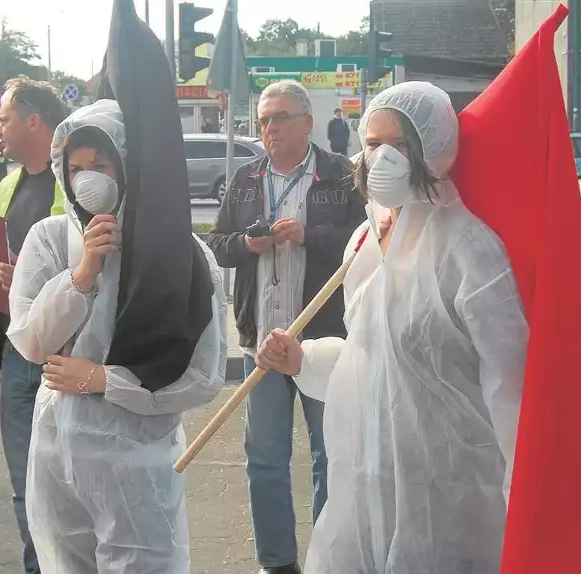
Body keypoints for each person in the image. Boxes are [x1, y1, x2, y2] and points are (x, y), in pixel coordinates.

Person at [256, 81, 529, 573]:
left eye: (401, 146)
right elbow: (369, 356)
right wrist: (303, 359)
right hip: (370, 484)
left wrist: (526, 493)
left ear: (436, 150)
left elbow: (513, 382)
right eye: (373, 144)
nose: (382, 159)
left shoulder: (467, 249)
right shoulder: (365, 241)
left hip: (451, 493)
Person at [6, 98, 227, 574]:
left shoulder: (180, 254)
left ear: (129, 165)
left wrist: (105, 380)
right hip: (57, 458)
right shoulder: (49, 239)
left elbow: (203, 376)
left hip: (137, 467)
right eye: (76, 167)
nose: (87, 179)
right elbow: (30, 340)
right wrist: (83, 272)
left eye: (101, 164)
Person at [208, 79, 366, 573]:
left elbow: (365, 245)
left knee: (331, 457)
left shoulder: (342, 175)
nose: (269, 129)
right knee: (266, 460)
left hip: (324, 341)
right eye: (263, 120)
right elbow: (216, 243)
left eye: (279, 118)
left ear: (307, 122)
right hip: (264, 340)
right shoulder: (247, 178)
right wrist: (246, 245)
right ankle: (276, 563)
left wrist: (309, 236)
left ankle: (326, 557)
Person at [0, 76, 67, 574]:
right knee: (22, 482)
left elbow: (84, 270)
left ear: (34, 121)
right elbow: (6, 261)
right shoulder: (10, 183)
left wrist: (29, 275)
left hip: (61, 357)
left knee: (66, 481)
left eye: (5, 118)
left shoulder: (72, 180)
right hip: (15, 351)